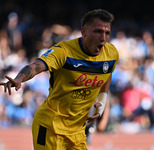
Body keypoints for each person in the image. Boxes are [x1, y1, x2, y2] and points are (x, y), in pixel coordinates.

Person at [0, 9, 119, 150]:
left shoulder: (111, 54)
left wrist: (102, 101)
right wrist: (20, 78)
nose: (103, 38)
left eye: (107, 33)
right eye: (98, 31)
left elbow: (107, 74)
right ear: (84, 31)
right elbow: (36, 66)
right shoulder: (64, 51)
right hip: (50, 127)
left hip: (77, 131)